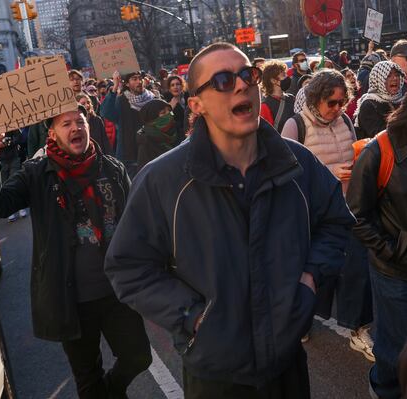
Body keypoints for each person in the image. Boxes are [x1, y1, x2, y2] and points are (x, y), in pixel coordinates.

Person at [105, 42, 355, 398]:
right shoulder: (164, 179)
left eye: (247, 75)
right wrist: (193, 317)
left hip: (286, 368)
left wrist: (310, 280)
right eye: (222, 80)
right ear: (196, 105)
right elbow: (128, 267)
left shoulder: (296, 162)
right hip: (214, 375)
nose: (241, 85)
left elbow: (336, 221)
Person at [0, 106, 152, 399]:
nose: (75, 128)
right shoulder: (36, 173)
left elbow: (136, 223)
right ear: (52, 133)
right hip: (70, 300)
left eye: (80, 121)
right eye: (66, 123)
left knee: (139, 357)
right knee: (87, 377)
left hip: (116, 292)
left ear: (88, 125)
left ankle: (110, 391)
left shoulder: (111, 168)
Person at [281, 70, 374, 359]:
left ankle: (357, 328)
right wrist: (328, 174)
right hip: (312, 214)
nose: (337, 109)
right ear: (315, 99)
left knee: (354, 270)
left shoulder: (346, 120)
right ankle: (302, 319)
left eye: (342, 102)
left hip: (348, 207)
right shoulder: (295, 126)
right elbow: (286, 175)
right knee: (315, 271)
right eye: (331, 103)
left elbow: (354, 154)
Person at [346, 84, 407, 399]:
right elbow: (356, 216)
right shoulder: (380, 151)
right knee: (395, 348)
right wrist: (392, 252)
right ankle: (384, 389)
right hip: (395, 271)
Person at [100, 70, 156, 176]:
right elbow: (106, 112)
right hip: (129, 157)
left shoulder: (152, 98)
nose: (139, 81)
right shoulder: (121, 100)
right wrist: (115, 87)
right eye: (134, 79)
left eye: (140, 78)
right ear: (126, 83)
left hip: (151, 153)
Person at [355, 61, 405, 139]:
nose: (395, 78)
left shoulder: (401, 100)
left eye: (397, 75)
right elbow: (380, 136)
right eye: (388, 75)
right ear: (378, 80)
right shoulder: (369, 104)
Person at [136, 99, 179, 171]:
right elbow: (145, 174)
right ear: (152, 120)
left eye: (169, 111)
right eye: (163, 113)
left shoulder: (178, 131)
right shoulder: (146, 143)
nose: (169, 114)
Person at [259, 60, 295, 133]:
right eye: (283, 75)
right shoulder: (265, 105)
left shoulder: (291, 98)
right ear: (273, 81)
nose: (287, 77)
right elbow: (268, 134)